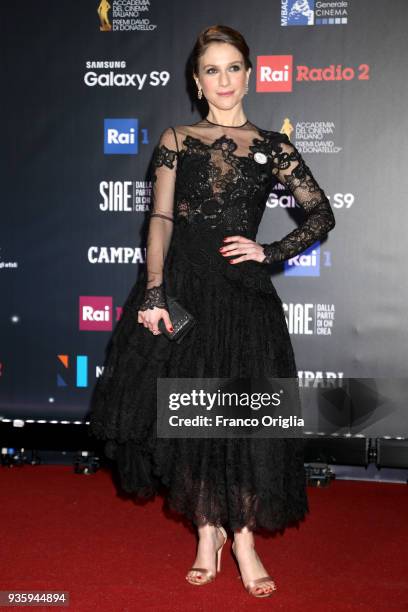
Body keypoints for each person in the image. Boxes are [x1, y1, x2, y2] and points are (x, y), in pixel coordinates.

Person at [88, 24, 336, 598]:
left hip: (246, 298)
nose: (223, 80)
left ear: (248, 74)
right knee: (192, 415)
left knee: (244, 418)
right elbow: (161, 220)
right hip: (187, 291)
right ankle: (207, 534)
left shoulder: (274, 146)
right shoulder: (177, 138)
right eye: (211, 70)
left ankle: (244, 539)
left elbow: (321, 214)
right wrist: (153, 291)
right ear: (197, 83)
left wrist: (270, 251)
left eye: (232, 68)